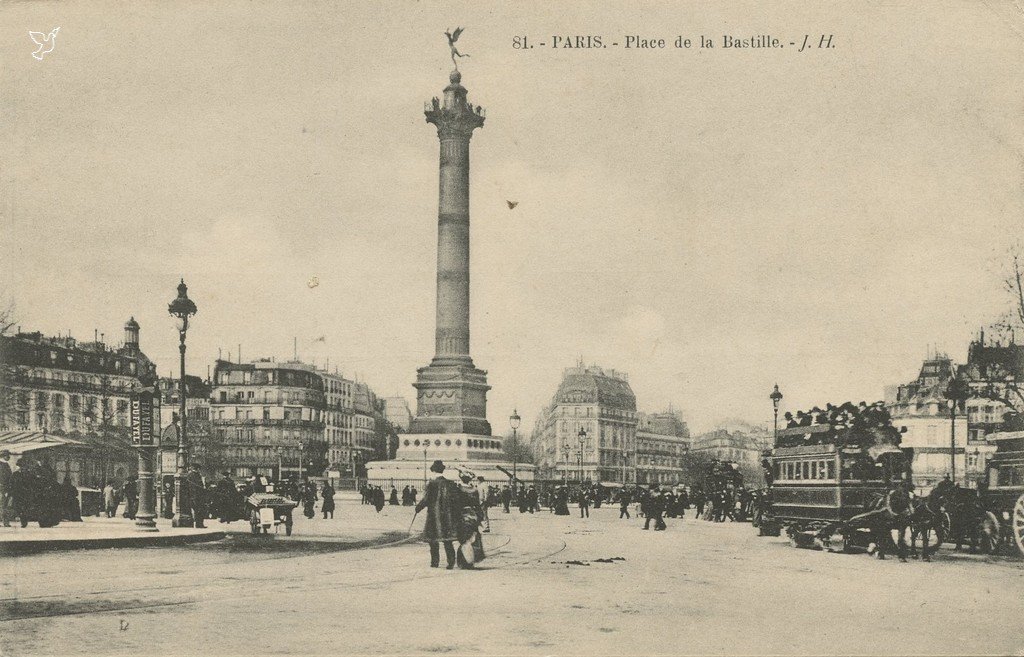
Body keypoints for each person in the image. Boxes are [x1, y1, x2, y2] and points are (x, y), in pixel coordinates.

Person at [415, 460, 460, 569]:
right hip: (447, 516)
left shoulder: (431, 484)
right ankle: (450, 562)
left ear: (434, 471)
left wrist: (418, 508)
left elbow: (426, 499)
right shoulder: (450, 484)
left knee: (433, 540)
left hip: (434, 516)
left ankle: (435, 562)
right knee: (447, 540)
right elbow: (455, 500)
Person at [0, 449, 12, 527]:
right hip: (2, 488)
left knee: (4, 505)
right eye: (7, 455)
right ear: (4, 456)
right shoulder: (3, 465)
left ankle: (5, 522)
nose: (9, 457)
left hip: (5, 488)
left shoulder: (6, 465)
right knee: (3, 505)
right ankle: (5, 522)